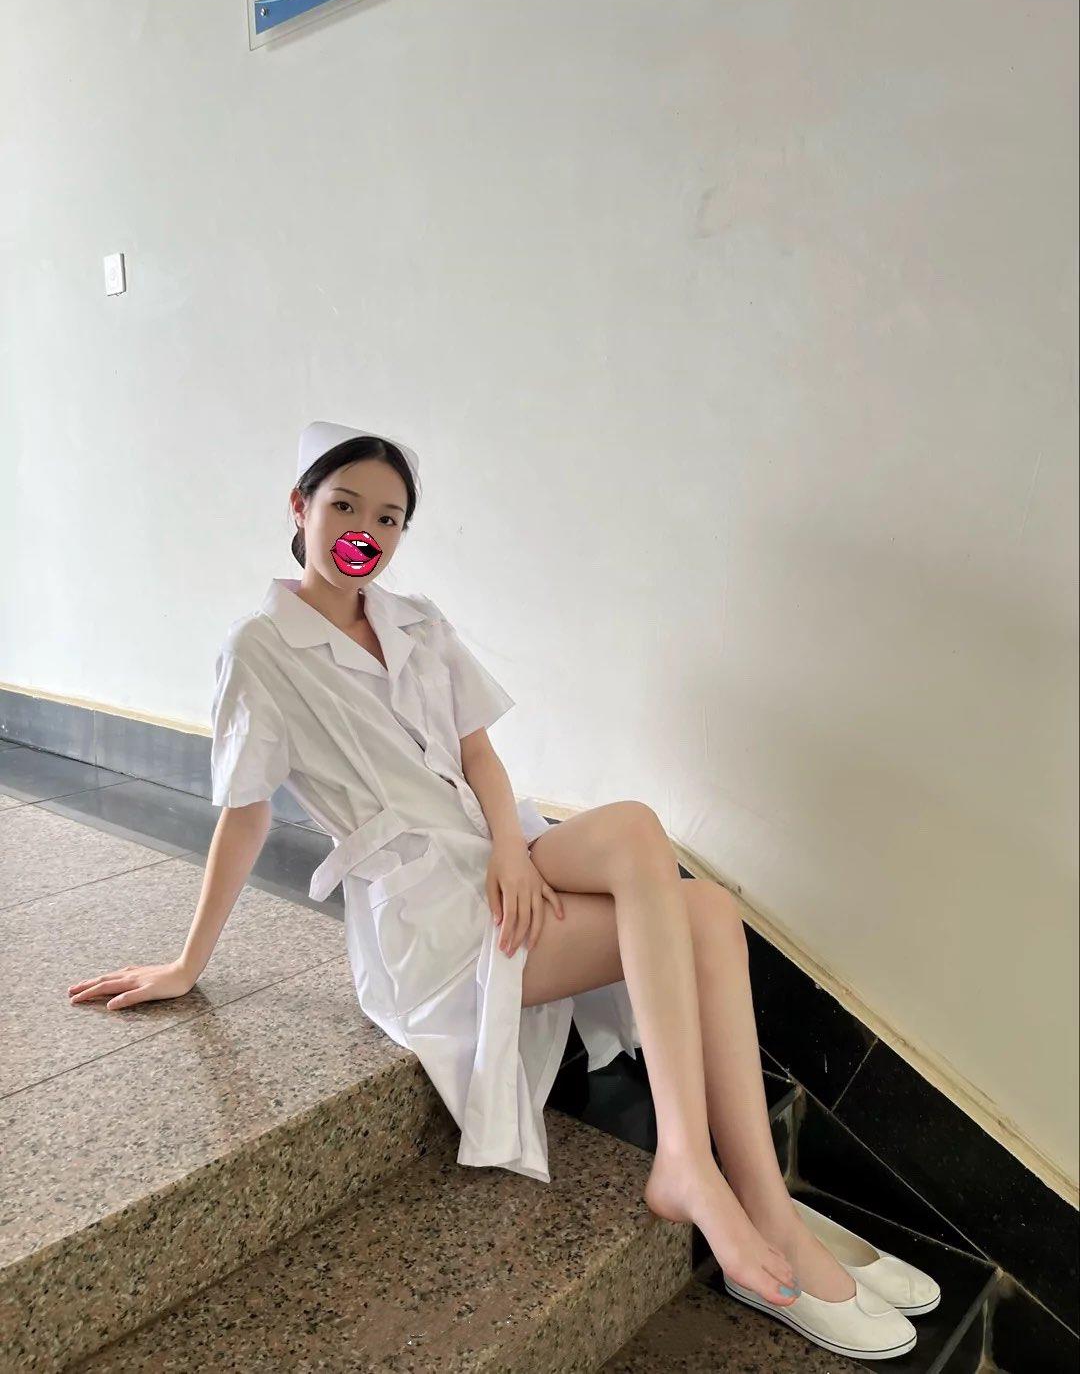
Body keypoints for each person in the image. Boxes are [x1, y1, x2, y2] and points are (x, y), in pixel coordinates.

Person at [68, 420, 933, 1361]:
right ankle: (721, 1181)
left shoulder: (416, 620)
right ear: (300, 508)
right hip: (429, 918)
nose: (365, 531)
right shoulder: (260, 648)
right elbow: (245, 816)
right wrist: (187, 962)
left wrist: (515, 854)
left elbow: (478, 754)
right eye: (344, 506)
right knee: (698, 910)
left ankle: (745, 1191)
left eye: (388, 517)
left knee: (667, 859)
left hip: (494, 855)